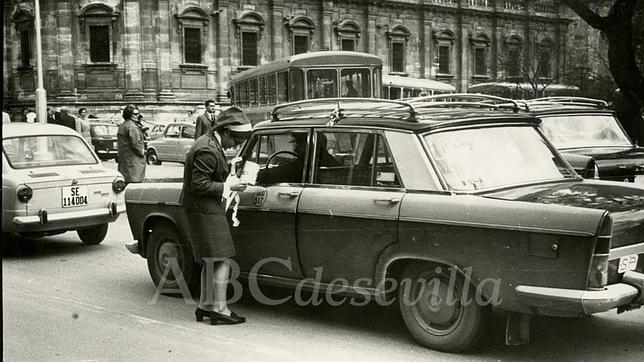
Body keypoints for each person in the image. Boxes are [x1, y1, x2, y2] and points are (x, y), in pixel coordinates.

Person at [181, 106, 252, 325]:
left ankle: (204, 306)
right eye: (237, 140)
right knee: (223, 258)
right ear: (227, 132)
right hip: (204, 208)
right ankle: (220, 309)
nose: (237, 146)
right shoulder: (207, 149)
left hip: (200, 207)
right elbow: (200, 184)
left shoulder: (209, 142)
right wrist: (227, 186)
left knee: (209, 260)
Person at [117, 105, 146, 184]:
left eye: (138, 114)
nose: (138, 116)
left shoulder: (123, 125)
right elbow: (136, 143)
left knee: (126, 182)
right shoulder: (132, 126)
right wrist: (142, 152)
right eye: (135, 114)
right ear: (129, 114)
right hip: (134, 162)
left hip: (125, 160)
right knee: (134, 185)